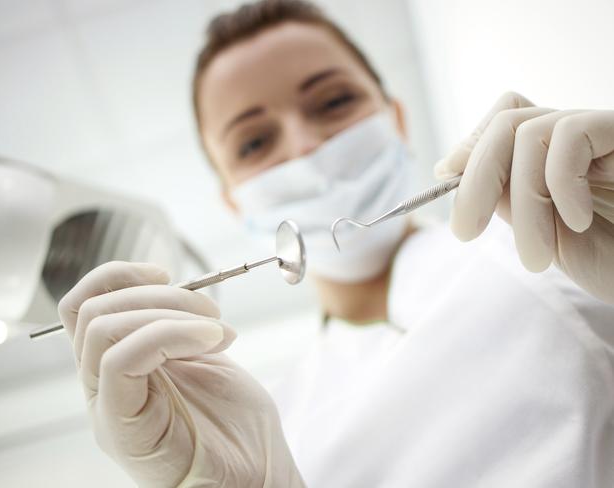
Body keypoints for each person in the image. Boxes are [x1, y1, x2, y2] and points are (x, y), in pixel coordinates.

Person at [58, 1, 614, 486]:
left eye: (332, 102)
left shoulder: (552, 246)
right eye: (254, 142)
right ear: (233, 200)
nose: (304, 148)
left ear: (395, 118)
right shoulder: (265, 421)